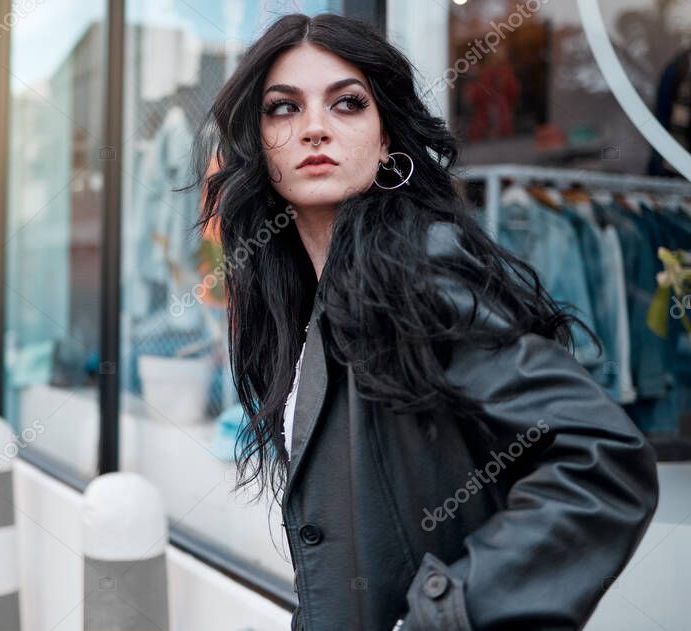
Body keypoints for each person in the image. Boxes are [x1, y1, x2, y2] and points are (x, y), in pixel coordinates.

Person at [181, 13, 659, 631]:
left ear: (386, 140)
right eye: (284, 108)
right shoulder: (305, 292)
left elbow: (600, 458)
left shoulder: (418, 265)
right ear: (259, 143)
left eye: (348, 103)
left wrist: (445, 614)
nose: (315, 127)